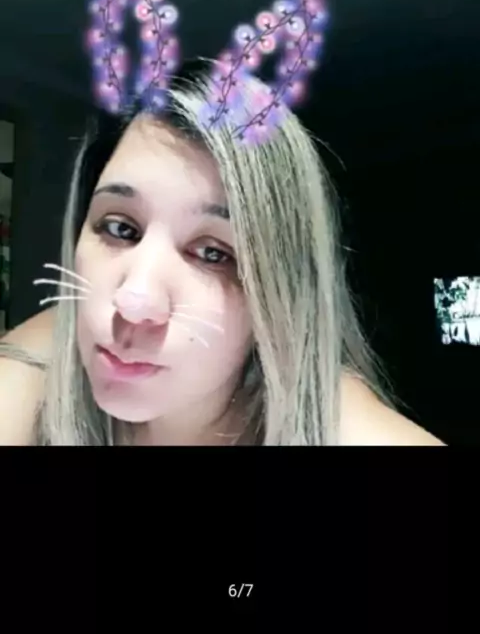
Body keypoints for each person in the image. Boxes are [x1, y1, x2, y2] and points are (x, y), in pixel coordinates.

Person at [0, 70, 444, 445]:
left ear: (281, 296)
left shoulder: (341, 428)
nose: (134, 301)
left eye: (213, 253)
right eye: (120, 228)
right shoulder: (40, 376)